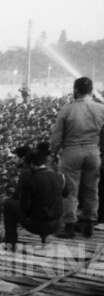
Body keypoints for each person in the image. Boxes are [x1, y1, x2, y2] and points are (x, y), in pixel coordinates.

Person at [50, 77, 104, 238]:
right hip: (93, 151)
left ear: (76, 90)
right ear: (91, 90)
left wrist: (53, 151)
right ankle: (88, 224)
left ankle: (69, 226)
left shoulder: (67, 110)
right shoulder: (101, 109)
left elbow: (57, 136)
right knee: (91, 189)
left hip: (71, 151)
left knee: (70, 190)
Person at [2, 149, 68, 250]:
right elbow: (66, 194)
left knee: (8, 205)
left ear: (32, 164)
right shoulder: (60, 177)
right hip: (57, 223)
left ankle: (10, 244)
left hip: (36, 225)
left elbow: (24, 206)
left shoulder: (30, 180)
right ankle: (45, 236)